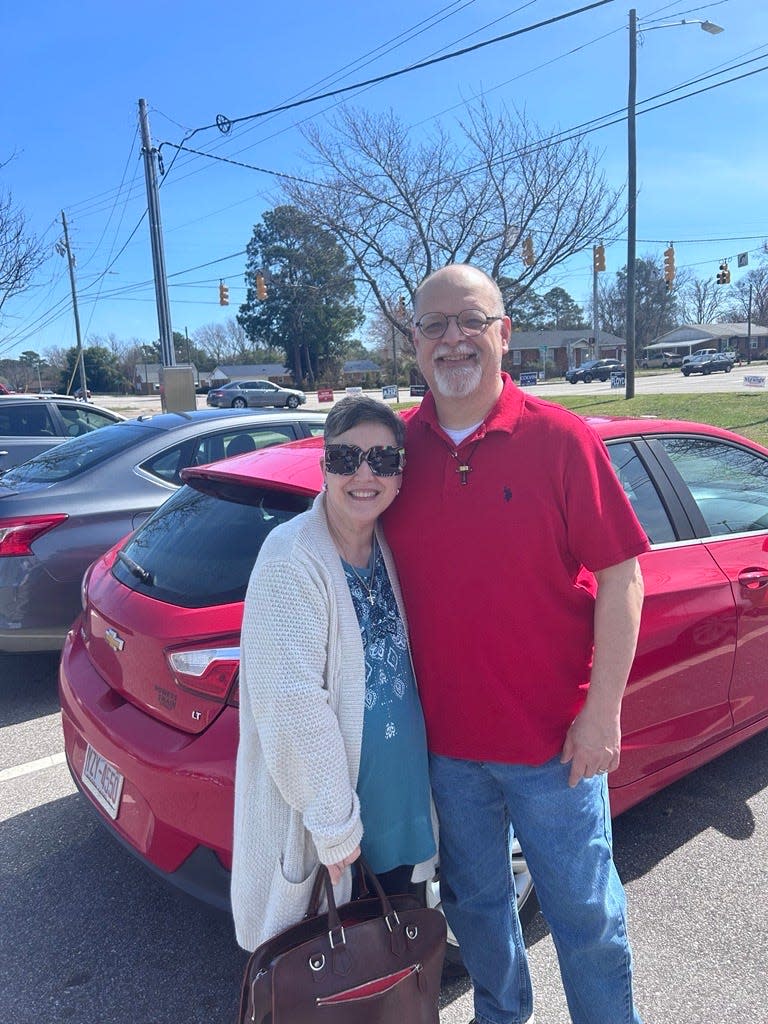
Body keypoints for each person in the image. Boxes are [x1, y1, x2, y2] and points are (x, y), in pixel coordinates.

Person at [383, 264, 649, 1024]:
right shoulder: (395, 454)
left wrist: (602, 716)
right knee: (478, 911)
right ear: (415, 344)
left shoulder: (561, 441)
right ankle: (503, 1016)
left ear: (504, 334)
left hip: (554, 750)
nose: (452, 338)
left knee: (586, 919)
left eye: (470, 320)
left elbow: (622, 578)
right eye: (433, 324)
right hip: (448, 751)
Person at [231, 394, 437, 951]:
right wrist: (334, 822)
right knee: (324, 989)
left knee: (395, 982)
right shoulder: (291, 558)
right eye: (346, 459)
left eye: (383, 460)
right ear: (324, 466)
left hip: (396, 817)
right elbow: (292, 704)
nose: (364, 475)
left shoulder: (386, 548)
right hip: (336, 838)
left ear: (400, 474)